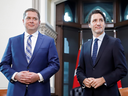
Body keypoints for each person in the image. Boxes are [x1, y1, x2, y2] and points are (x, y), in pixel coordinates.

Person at [0, 8, 60, 96]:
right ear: (23, 21)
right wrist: (16, 75)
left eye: (35, 19)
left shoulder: (49, 41)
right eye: (28, 18)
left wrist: (39, 76)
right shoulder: (13, 41)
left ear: (39, 22)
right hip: (16, 91)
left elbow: (55, 64)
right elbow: (3, 64)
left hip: (40, 91)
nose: (31, 21)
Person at [76, 10, 128, 96]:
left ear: (104, 24)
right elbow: (79, 70)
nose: (98, 23)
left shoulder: (115, 43)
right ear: (89, 25)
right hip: (88, 93)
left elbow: (122, 69)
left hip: (108, 93)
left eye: (101, 20)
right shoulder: (85, 46)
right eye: (94, 20)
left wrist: (103, 80)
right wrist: (84, 80)